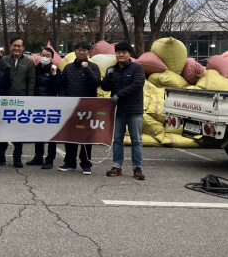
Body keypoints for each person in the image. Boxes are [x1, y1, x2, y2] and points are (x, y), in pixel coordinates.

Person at [101, 41, 147, 180]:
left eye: (124, 52)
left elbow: (138, 84)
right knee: (117, 140)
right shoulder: (112, 70)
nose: (121, 55)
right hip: (118, 110)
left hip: (134, 109)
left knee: (136, 140)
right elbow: (105, 88)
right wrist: (107, 76)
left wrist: (119, 95)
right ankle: (117, 166)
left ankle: (137, 167)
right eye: (118, 52)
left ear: (129, 54)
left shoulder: (137, 68)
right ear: (115, 54)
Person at [58, 41, 101, 175]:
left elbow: (96, 83)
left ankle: (86, 163)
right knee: (70, 135)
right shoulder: (68, 68)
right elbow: (62, 86)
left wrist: (86, 69)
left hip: (87, 107)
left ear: (88, 52)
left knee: (86, 136)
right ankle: (70, 162)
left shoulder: (93, 67)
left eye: (84, 50)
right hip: (70, 107)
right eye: (79, 50)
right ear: (74, 51)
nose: (81, 52)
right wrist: (65, 101)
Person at [0, 36, 35, 168]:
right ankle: (0, 156)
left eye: (19, 46)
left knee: (18, 131)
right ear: (10, 47)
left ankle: (17, 157)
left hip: (20, 101)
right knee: (2, 130)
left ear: (23, 47)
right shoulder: (4, 60)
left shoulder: (29, 63)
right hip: (4, 100)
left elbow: (31, 82)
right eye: (14, 45)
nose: (16, 48)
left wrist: (29, 100)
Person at [27, 46, 61, 169]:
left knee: (50, 133)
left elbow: (58, 88)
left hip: (50, 105)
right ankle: (38, 156)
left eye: (48, 56)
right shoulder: (35, 69)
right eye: (43, 55)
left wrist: (55, 74)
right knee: (38, 132)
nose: (45, 57)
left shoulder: (54, 70)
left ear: (52, 57)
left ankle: (50, 159)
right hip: (36, 104)